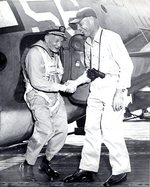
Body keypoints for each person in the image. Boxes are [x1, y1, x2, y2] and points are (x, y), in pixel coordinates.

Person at [63, 7, 133, 186]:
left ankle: (120, 170)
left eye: (80, 23)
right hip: (96, 89)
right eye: (77, 25)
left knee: (110, 130)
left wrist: (120, 92)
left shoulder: (111, 38)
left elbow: (126, 66)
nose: (79, 28)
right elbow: (90, 72)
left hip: (113, 87)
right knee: (91, 130)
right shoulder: (87, 43)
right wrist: (75, 82)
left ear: (91, 19)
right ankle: (88, 168)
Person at [19, 26, 73, 181]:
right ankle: (28, 165)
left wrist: (68, 84)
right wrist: (62, 87)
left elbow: (59, 75)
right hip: (38, 95)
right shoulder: (34, 53)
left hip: (55, 96)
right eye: (56, 39)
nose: (59, 44)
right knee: (44, 129)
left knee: (62, 131)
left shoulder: (54, 55)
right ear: (47, 36)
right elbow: (37, 82)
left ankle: (46, 162)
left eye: (62, 40)